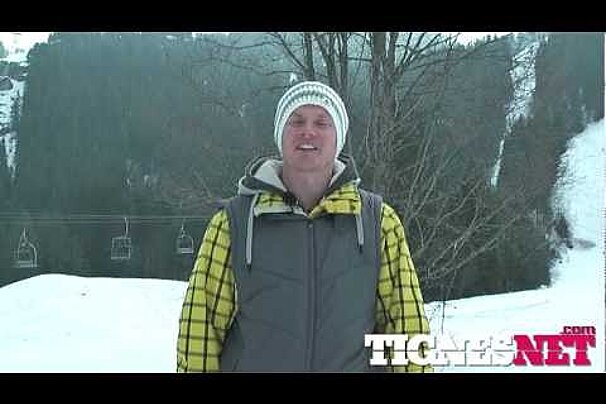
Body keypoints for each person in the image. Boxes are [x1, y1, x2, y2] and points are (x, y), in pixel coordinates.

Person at [176, 81, 431, 372]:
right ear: (280, 136)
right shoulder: (234, 224)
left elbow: (408, 333)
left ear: (338, 140)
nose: (308, 131)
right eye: (296, 121)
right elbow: (199, 334)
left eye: (322, 122)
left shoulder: (378, 223)